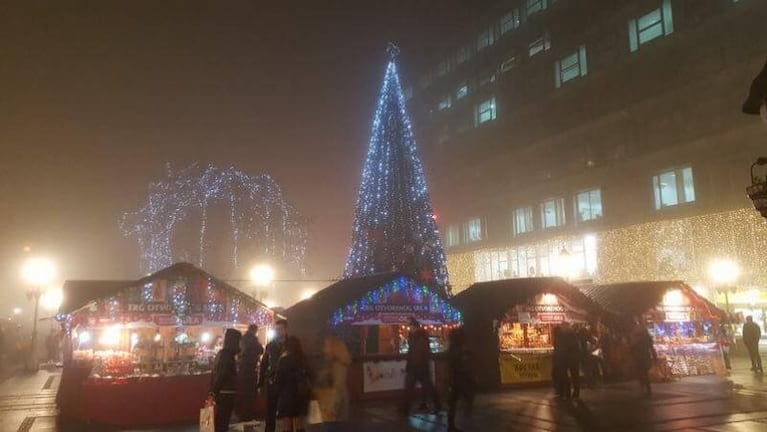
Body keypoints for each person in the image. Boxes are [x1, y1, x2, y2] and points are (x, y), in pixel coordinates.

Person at [401, 318, 441, 415]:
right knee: (425, 387)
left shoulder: (419, 337)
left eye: (408, 326)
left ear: (412, 326)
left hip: (418, 367)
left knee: (411, 387)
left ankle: (405, 408)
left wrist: (413, 364)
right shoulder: (418, 336)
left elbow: (418, 352)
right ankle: (437, 405)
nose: (407, 328)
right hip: (419, 366)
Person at [208, 328, 242, 432]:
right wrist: (213, 392)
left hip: (223, 393)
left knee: (221, 421)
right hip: (226, 393)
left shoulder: (223, 354)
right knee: (223, 422)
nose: (240, 344)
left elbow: (216, 374)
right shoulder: (227, 356)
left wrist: (212, 391)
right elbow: (222, 375)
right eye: (239, 341)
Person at [275, 336, 311, 432]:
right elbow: (310, 375)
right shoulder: (303, 359)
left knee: (286, 424)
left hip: (287, 396)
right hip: (301, 395)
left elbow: (278, 379)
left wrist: (277, 392)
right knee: (299, 424)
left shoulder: (284, 360)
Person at [316, 336, 351, 432]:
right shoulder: (332, 362)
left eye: (327, 345)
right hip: (331, 403)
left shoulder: (337, 365)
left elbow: (338, 386)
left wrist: (333, 408)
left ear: (334, 348)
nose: (324, 348)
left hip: (333, 405)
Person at [260, 319, 289, 432]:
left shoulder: (291, 345)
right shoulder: (270, 346)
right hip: (272, 381)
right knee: (270, 411)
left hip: (287, 382)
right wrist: (261, 382)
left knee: (287, 411)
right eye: (276, 330)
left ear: (286, 330)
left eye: (280, 329)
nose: (278, 332)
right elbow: (264, 364)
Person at [446, 328, 473, 432]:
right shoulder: (460, 349)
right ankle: (457, 424)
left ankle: (451, 425)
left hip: (455, 378)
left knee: (453, 402)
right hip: (460, 377)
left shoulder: (453, 348)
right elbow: (461, 362)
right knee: (465, 399)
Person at [238, 324, 264, 422]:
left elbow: (240, 352)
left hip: (242, 368)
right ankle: (248, 414)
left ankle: (242, 415)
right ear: (255, 330)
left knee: (243, 392)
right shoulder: (253, 340)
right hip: (251, 369)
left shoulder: (242, 339)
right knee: (250, 393)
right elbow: (261, 350)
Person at [630, 323, 656, 396]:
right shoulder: (647, 339)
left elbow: (632, 348)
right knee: (644, 372)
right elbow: (651, 348)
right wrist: (654, 356)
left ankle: (644, 386)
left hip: (639, 357)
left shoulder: (637, 339)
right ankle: (646, 387)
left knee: (641, 372)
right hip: (645, 356)